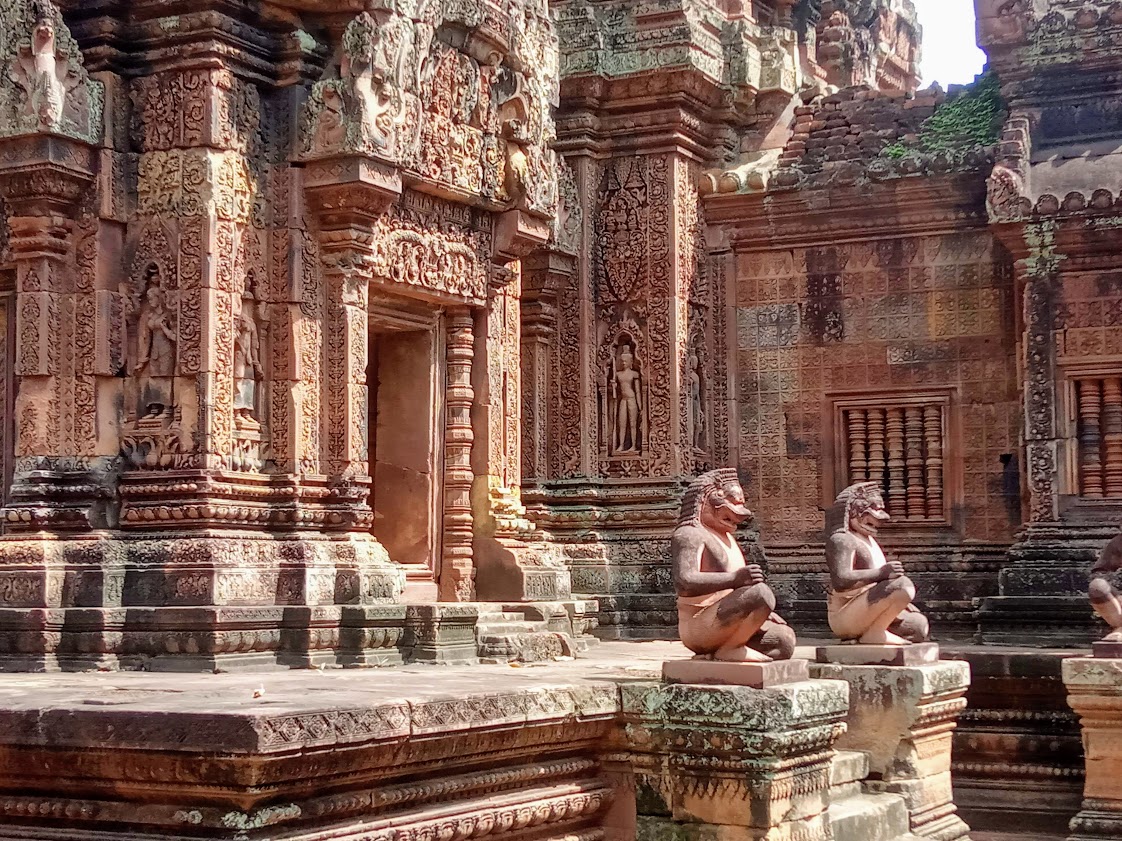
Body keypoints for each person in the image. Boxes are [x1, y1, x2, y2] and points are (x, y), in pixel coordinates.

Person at [673, 468, 795, 662]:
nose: (738, 518)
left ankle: (731, 645)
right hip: (700, 623)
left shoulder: (726, 538)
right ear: (704, 502)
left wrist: (762, 613)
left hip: (725, 618)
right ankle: (730, 648)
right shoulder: (689, 534)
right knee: (761, 593)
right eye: (729, 511)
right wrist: (734, 579)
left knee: (783, 640)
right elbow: (685, 581)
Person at [825, 481, 929, 645]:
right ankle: (875, 633)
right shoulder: (842, 540)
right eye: (874, 510)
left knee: (918, 626)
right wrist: (881, 574)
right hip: (844, 614)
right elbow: (841, 580)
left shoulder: (868, 540)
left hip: (865, 608)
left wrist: (895, 603)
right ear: (853, 511)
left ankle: (872, 632)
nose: (882, 517)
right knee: (903, 586)